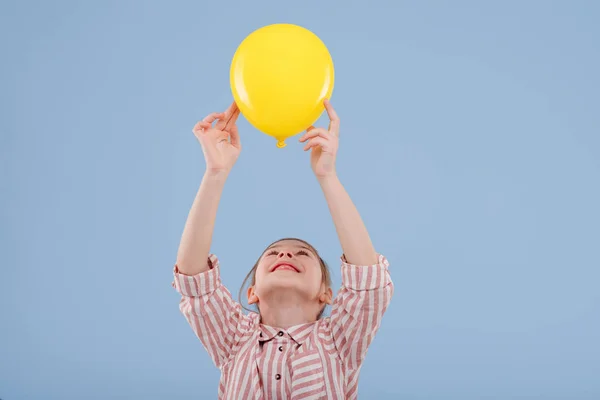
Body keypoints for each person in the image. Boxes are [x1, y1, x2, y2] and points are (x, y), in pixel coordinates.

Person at [172, 99, 394, 399]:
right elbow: (195, 281)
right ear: (253, 292)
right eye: (273, 254)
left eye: (302, 254)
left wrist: (327, 176)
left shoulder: (339, 341)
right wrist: (215, 172)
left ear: (326, 294)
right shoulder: (234, 338)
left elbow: (367, 282)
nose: (285, 254)